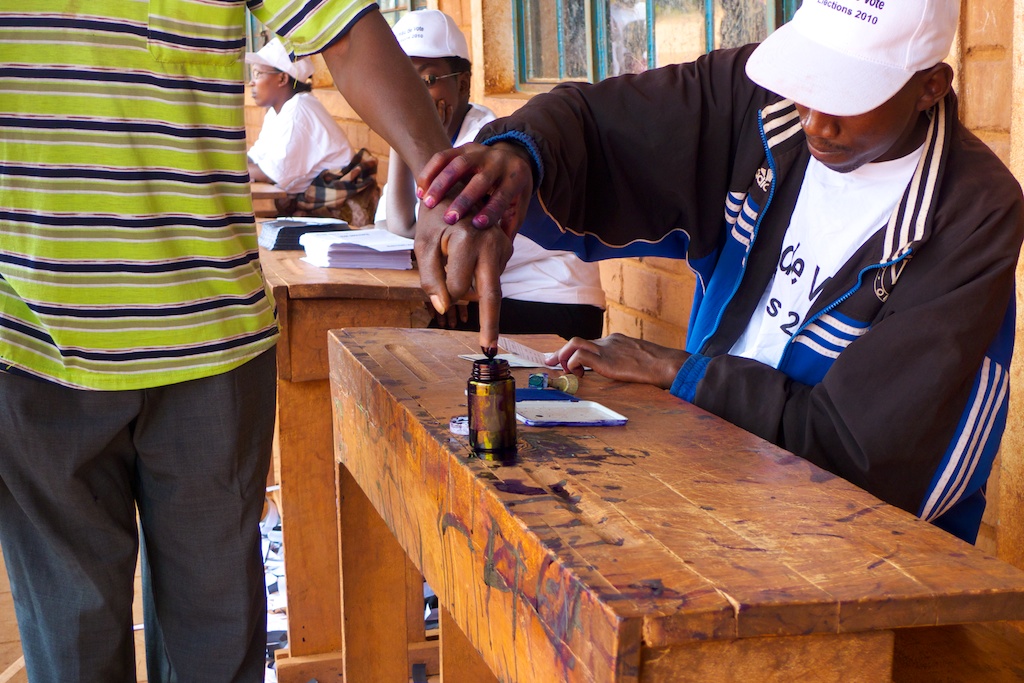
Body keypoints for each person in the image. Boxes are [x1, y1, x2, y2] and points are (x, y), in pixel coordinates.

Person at [411, 0, 1024, 543]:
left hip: (856, 549)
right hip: (706, 465)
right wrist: (515, 159)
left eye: (849, 96)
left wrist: (679, 370)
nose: (814, 120)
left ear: (931, 86)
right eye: (810, 81)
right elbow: (598, 123)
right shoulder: (762, 107)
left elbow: (862, 453)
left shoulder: (972, 214)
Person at [0, 2, 455, 681]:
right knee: (73, 648)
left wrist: (442, 184)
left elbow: (347, 30)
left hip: (210, 346)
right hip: (35, 343)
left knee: (216, 645)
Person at [379, 10, 606, 340]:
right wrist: (400, 135)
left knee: (400, 333)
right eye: (401, 84)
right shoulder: (428, 142)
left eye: (426, 80)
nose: (413, 96)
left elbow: (417, 234)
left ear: (463, 83)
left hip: (550, 304)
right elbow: (393, 228)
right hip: (498, 297)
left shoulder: (484, 143)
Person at [246, 37, 354, 194]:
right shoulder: (276, 113)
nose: (251, 83)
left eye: (257, 74)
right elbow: (255, 158)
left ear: (282, 78)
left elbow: (270, 174)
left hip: (332, 205)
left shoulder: (298, 110)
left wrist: (224, 172)